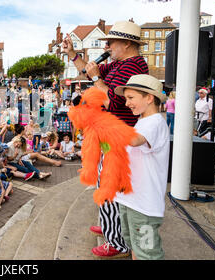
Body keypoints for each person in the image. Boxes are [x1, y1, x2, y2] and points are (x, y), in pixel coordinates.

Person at [63, 20, 149, 258]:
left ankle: (117, 242)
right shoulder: (120, 64)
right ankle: (110, 225)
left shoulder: (133, 67)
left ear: (128, 43)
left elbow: (111, 100)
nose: (108, 46)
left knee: (109, 186)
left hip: (117, 135)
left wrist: (94, 79)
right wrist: (73, 54)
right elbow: (87, 71)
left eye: (111, 42)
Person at [113, 74, 169, 260]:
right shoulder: (142, 121)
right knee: (135, 246)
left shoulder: (155, 122)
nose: (127, 103)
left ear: (149, 97)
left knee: (147, 253)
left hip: (144, 205)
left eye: (131, 98)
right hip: (131, 199)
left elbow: (135, 140)